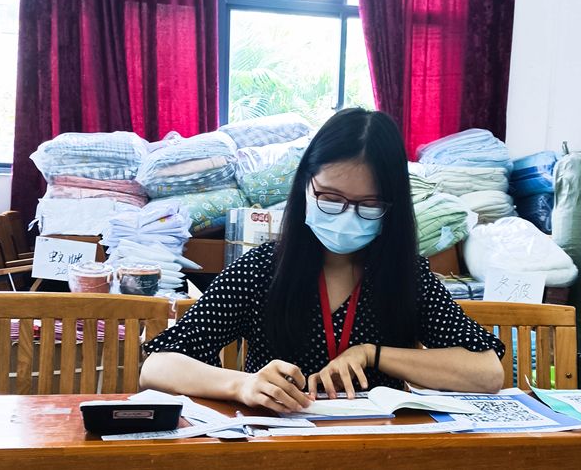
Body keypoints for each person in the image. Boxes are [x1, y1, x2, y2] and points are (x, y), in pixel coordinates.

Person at [139, 108, 505, 413]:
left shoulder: (405, 276)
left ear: (392, 207)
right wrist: (243, 384)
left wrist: (371, 354)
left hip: (378, 449)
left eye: (369, 205)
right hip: (280, 447)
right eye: (330, 198)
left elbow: (487, 372)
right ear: (305, 186)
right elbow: (156, 367)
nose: (346, 216)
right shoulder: (261, 270)